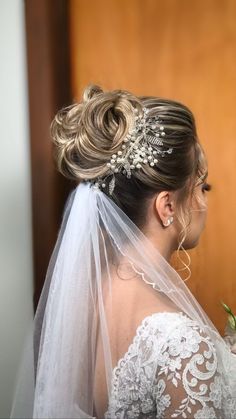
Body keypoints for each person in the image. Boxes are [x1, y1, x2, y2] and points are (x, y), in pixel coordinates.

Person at [11, 85, 236, 418]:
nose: (204, 202)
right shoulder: (182, 344)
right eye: (202, 186)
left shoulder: (79, 307)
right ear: (167, 205)